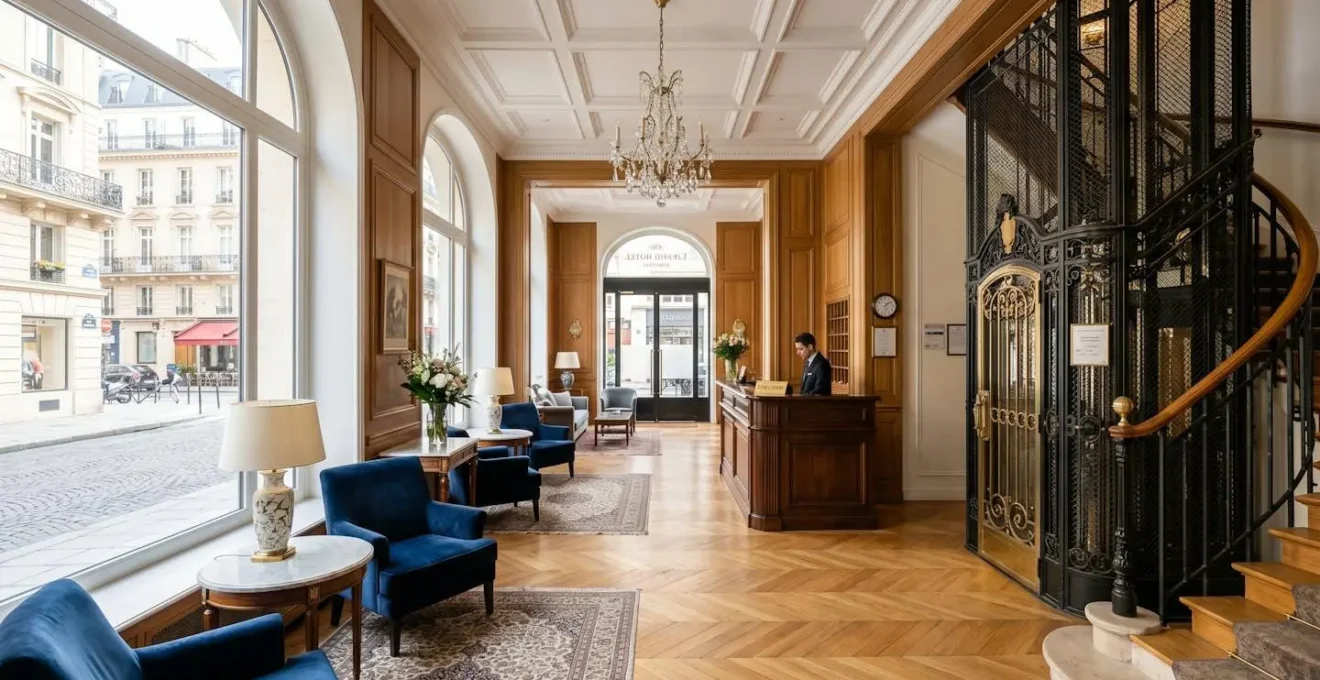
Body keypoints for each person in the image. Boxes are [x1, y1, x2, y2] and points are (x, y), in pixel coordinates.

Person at [794, 332, 833, 396]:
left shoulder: (822, 364)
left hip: (815, 405)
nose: (797, 353)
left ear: (810, 347)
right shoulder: (808, 362)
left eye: (800, 349)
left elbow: (820, 391)